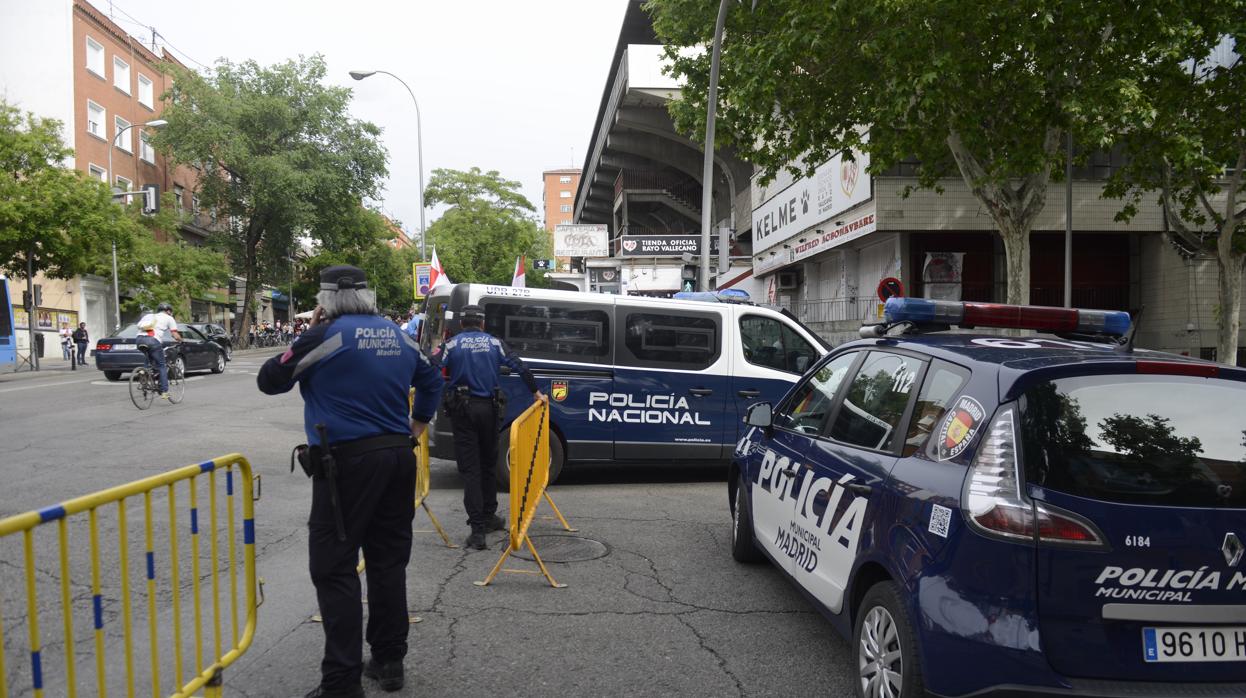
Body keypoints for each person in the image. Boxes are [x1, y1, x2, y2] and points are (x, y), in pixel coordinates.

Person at [257, 265, 444, 698]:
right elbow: (432, 379)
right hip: (398, 457)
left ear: (326, 301)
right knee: (387, 561)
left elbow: (271, 381)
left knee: (334, 568)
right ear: (367, 295)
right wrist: (415, 428)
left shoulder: (324, 337)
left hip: (346, 466)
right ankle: (389, 659)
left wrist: (307, 334)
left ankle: (341, 682)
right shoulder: (397, 335)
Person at [435, 304, 545, 550]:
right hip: (489, 410)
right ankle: (489, 515)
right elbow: (520, 366)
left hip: (463, 412)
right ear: (483, 324)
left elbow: (431, 365)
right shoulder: (494, 343)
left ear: (462, 324)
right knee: (487, 464)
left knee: (471, 469)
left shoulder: (452, 344)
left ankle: (478, 531)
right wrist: (536, 392)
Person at [135, 303, 182, 399]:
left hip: (139, 340)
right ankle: (164, 392)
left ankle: (144, 374)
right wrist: (181, 340)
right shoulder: (169, 318)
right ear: (168, 311)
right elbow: (174, 334)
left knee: (149, 358)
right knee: (162, 365)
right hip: (153, 340)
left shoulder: (149, 316)